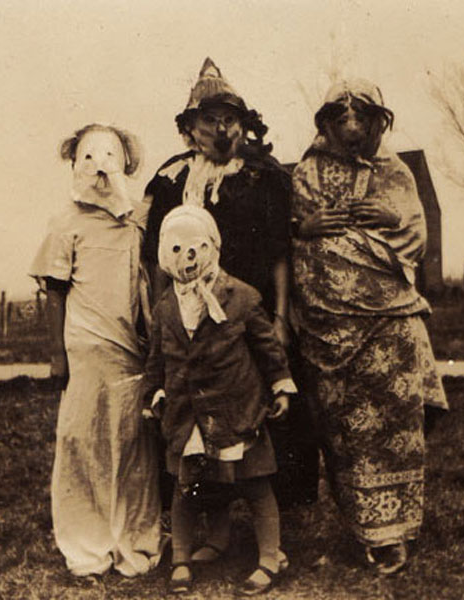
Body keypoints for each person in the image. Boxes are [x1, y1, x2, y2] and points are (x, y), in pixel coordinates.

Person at [143, 57, 320, 514]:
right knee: (195, 402)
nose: (221, 130)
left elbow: (280, 252)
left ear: (244, 125)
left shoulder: (264, 176)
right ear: (190, 128)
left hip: (252, 309)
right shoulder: (171, 180)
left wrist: (280, 317)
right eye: (210, 120)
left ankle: (278, 510)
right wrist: (164, 318)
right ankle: (204, 509)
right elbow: (159, 259)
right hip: (190, 314)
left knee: (269, 398)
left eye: (230, 120)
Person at [289, 79, 448, 574]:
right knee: (346, 433)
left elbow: (415, 236)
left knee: (396, 427)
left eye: (362, 118)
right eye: (342, 119)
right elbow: (288, 233)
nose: (352, 128)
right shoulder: (307, 172)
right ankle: (366, 530)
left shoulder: (395, 171)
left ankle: (396, 532)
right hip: (329, 326)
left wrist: (389, 217)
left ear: (379, 121)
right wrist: (303, 229)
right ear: (328, 123)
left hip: (389, 324)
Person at [29, 123, 162, 577]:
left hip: (129, 347)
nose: (100, 168)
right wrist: (57, 355)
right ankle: (88, 542)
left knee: (131, 441)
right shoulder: (65, 222)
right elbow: (55, 291)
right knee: (82, 439)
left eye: (109, 157)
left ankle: (134, 539)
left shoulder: (137, 220)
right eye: (88, 158)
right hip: (85, 346)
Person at [143, 205, 295, 595]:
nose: (187, 259)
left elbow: (267, 347)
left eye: (196, 248)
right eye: (176, 250)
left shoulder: (241, 296)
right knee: (188, 487)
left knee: (255, 483)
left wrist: (280, 386)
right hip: (188, 412)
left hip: (237, 409)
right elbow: (157, 359)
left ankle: (269, 556)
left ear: (213, 247)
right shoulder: (166, 307)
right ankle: (182, 557)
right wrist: (154, 393)